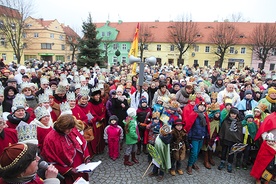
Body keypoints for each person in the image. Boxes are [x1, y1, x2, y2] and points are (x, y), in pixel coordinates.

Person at [41, 114, 90, 184]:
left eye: (71, 128)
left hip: (81, 165)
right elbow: (50, 160)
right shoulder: (50, 139)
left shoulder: (72, 130)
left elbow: (82, 142)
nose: (69, 131)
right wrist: (66, 170)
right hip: (69, 171)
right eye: (67, 129)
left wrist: (86, 157)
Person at [185, 101, 210, 175]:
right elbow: (189, 125)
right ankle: (189, 165)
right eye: (200, 106)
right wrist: (189, 136)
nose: (202, 107)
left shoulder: (205, 115)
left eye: (203, 106)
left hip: (201, 136)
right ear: (197, 106)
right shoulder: (193, 114)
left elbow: (206, 126)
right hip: (194, 136)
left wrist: (206, 135)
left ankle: (193, 163)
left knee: (198, 152)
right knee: (194, 152)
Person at [218, 107, 243, 173]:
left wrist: (239, 140)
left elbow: (239, 133)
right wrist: (221, 137)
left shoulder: (239, 123)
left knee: (231, 153)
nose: (233, 115)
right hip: (226, 139)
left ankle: (229, 164)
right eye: (232, 113)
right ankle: (222, 162)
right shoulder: (225, 121)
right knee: (224, 151)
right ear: (230, 114)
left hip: (234, 141)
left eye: (235, 114)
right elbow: (222, 130)